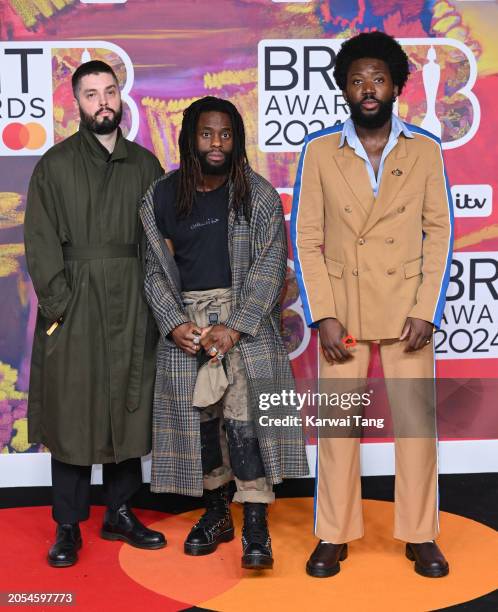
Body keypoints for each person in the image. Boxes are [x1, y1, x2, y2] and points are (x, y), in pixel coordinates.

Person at [291, 32, 453, 578]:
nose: (368, 89)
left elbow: (440, 233)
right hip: (346, 313)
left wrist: (427, 308)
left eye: (378, 79)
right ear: (344, 87)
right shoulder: (318, 152)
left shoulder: (425, 150)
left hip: (409, 311)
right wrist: (324, 314)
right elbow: (306, 238)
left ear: (397, 86)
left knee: (416, 428)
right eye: (357, 79)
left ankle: (421, 535)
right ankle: (333, 535)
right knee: (338, 431)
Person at [141, 96, 308, 569]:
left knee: (246, 424)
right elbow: (154, 269)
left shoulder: (256, 194)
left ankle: (255, 521)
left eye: (226, 134)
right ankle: (217, 513)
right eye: (207, 134)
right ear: (190, 138)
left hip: (243, 324)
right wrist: (174, 323)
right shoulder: (159, 195)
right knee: (201, 427)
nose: (217, 143)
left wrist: (235, 326)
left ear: (237, 139)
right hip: (186, 327)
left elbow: (271, 264)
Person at [24, 60, 166, 567]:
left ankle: (121, 512)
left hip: (132, 304)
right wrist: (61, 306)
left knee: (130, 406)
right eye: (91, 94)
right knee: (73, 413)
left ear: (121, 95)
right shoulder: (55, 165)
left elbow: (157, 244)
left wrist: (156, 307)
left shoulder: (146, 166)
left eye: (109, 91)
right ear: (77, 103)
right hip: (77, 304)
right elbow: (39, 242)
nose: (102, 101)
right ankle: (67, 525)